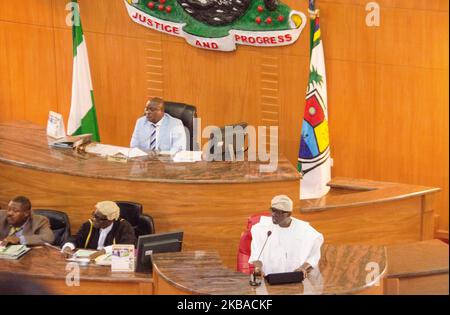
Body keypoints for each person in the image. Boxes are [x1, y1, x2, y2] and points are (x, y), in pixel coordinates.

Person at [249, 195, 324, 278]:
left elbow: (314, 254)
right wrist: (258, 268)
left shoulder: (304, 230)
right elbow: (256, 254)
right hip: (268, 279)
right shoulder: (261, 228)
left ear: (288, 214)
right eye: (273, 210)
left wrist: (303, 268)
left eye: (278, 212)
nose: (273, 214)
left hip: (294, 279)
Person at [61, 201, 136, 255]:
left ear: (110, 220)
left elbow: (127, 246)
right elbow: (76, 238)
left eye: (97, 218)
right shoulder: (88, 225)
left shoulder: (124, 227)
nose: (93, 219)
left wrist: (104, 251)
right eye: (94, 215)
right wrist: (68, 246)